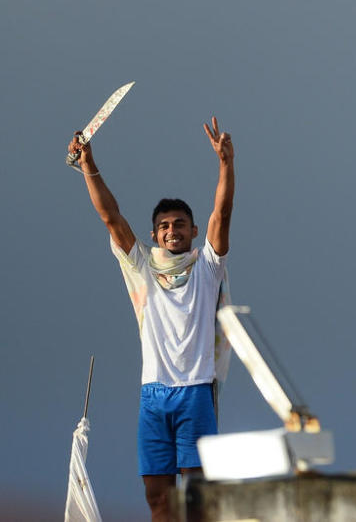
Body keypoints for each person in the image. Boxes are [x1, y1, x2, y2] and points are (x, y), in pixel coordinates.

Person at [67, 117, 234, 521]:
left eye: (179, 224)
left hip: (195, 391)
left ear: (192, 230)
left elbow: (221, 215)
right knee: (158, 499)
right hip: (153, 395)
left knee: (195, 499)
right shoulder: (140, 265)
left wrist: (226, 164)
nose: (171, 230)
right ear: (154, 235)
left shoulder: (206, 265)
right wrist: (88, 163)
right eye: (163, 226)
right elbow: (111, 216)